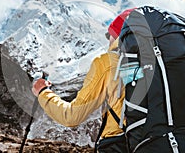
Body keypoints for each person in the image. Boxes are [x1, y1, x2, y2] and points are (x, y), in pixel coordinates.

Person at [32, 9, 135, 152]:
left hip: (120, 145)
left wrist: (43, 92)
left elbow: (72, 116)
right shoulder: (162, 65)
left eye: (109, 35)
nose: (108, 40)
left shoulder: (108, 62)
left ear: (116, 35)